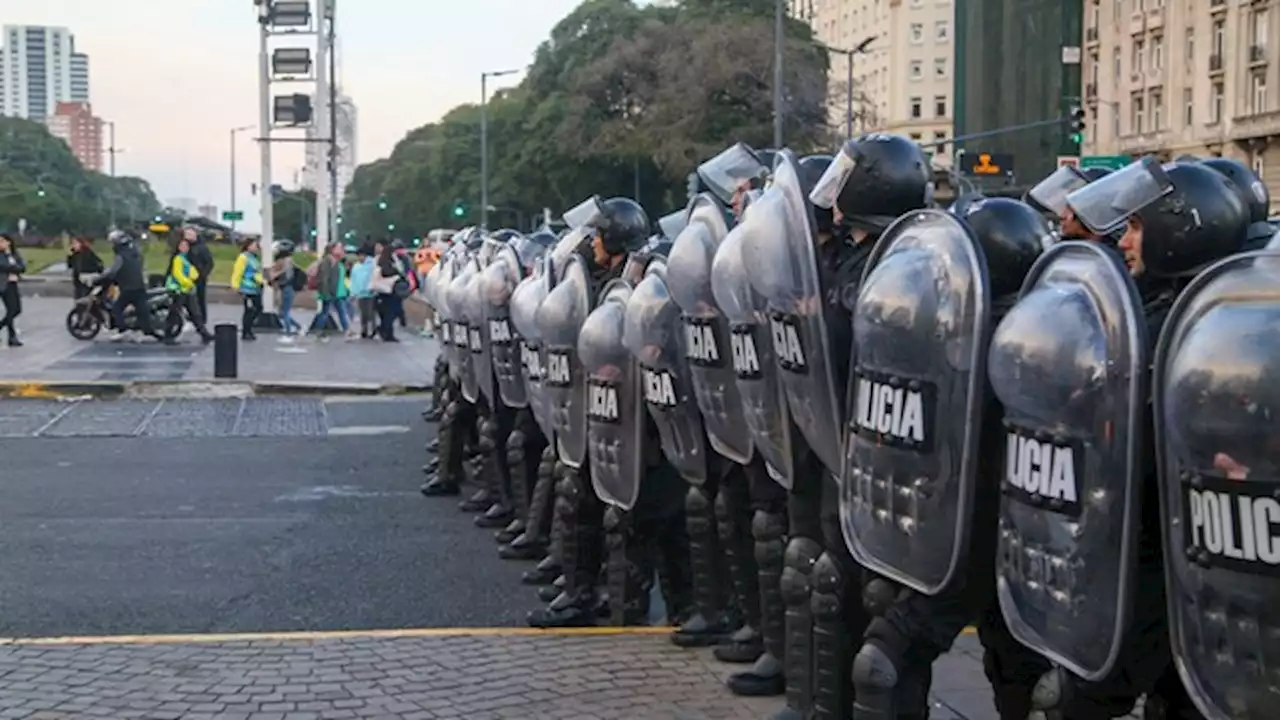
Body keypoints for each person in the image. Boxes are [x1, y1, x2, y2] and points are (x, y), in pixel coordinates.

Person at [98, 229, 163, 343]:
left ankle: (123, 330)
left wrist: (103, 277)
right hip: (139, 285)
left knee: (116, 308)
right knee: (142, 311)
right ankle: (148, 331)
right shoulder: (135, 252)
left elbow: (114, 271)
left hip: (128, 287)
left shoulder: (121, 255)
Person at [164, 235, 215, 344]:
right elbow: (177, 274)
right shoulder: (178, 259)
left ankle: (204, 333)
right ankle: (168, 334)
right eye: (182, 246)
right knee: (175, 313)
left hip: (187, 290)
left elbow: (193, 273)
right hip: (179, 290)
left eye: (186, 246)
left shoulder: (185, 259)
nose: (185, 248)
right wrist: (188, 282)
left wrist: (193, 277)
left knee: (195, 313)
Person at [230, 238, 264, 340]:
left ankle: (248, 329)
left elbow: (257, 272)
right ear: (248, 246)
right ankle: (246, 331)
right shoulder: (243, 257)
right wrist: (235, 285)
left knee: (258, 308)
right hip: (247, 288)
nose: (256, 247)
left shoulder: (254, 258)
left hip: (255, 287)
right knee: (250, 310)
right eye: (254, 245)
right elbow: (238, 271)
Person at [314, 242, 350, 337]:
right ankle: (346, 330)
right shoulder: (328, 261)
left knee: (334, 311)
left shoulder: (338, 261)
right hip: (332, 292)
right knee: (331, 312)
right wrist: (326, 292)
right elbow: (324, 278)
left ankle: (319, 330)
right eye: (339, 248)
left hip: (338, 292)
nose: (341, 250)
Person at [270, 240, 304, 338]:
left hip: (286, 288)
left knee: (284, 312)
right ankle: (297, 327)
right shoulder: (288, 260)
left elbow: (285, 276)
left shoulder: (285, 261)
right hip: (287, 288)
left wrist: (274, 274)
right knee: (282, 312)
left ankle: (289, 332)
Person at [373, 241, 406, 342]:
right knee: (390, 314)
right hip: (389, 291)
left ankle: (385, 332)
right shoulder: (386, 263)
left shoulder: (381, 260)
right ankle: (386, 332)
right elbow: (387, 272)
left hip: (383, 292)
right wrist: (396, 271)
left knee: (387, 315)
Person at [0, 233, 26, 347]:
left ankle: (2, 327)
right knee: (10, 309)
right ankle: (12, 336)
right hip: (3, 284)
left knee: (16, 310)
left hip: (13, 283)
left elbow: (22, 267)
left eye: (2, 241)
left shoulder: (14, 254)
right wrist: (14, 269)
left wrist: (14, 269)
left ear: (8, 242)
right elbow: (3, 266)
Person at [186, 227, 215, 321]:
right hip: (186, 277)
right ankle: (192, 316)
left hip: (199, 278)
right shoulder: (185, 247)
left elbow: (209, 263)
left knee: (199, 298)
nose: (188, 237)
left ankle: (202, 317)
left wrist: (202, 274)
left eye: (190, 235)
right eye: (187, 235)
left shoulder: (202, 248)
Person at [349, 244, 377, 339]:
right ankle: (364, 330)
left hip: (370, 293)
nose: (360, 257)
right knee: (363, 313)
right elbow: (353, 280)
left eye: (362, 255)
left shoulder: (372, 265)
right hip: (360, 293)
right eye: (359, 255)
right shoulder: (356, 267)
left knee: (370, 313)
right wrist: (353, 292)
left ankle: (372, 330)